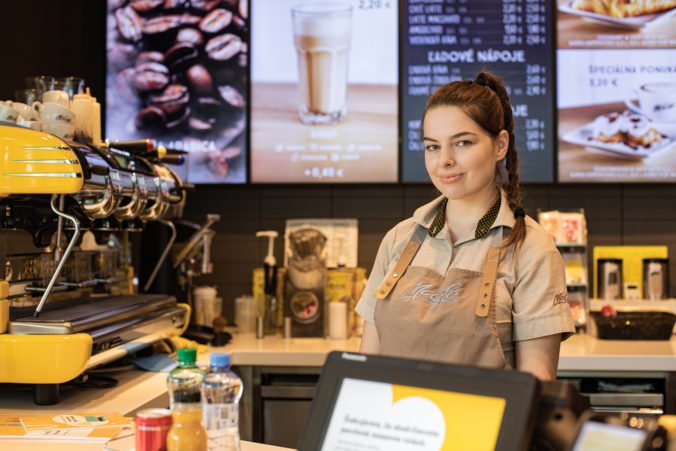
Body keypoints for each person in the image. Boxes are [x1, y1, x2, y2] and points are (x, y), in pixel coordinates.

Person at [356, 71, 575, 381]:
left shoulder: (531, 248)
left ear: (500, 145)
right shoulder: (400, 239)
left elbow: (535, 387)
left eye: (462, 143)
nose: (444, 160)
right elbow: (367, 369)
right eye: (432, 147)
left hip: (485, 429)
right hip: (399, 425)